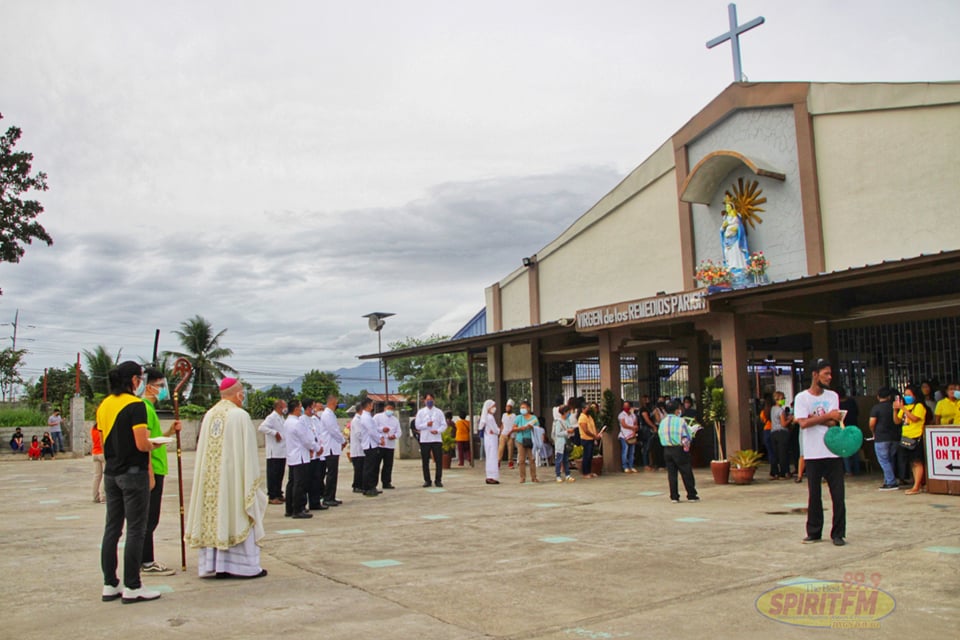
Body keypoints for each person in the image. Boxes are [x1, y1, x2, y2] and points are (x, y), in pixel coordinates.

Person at [185, 377, 268, 578]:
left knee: (217, 517)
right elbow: (248, 454)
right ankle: (243, 567)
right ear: (239, 394)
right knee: (235, 513)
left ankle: (215, 566)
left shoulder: (209, 414)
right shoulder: (240, 416)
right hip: (234, 480)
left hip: (212, 483)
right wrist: (251, 479)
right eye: (243, 394)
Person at [98, 361, 161, 604]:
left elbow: (105, 439)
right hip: (133, 474)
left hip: (111, 473)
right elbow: (141, 444)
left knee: (112, 528)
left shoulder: (105, 405)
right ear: (134, 380)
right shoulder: (136, 406)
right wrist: (155, 443)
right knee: (136, 529)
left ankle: (110, 584)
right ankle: (133, 585)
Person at [794, 358, 846, 546]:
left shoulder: (832, 396)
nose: (829, 377)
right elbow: (802, 423)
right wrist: (825, 416)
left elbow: (835, 421)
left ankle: (838, 533)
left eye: (830, 374)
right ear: (815, 375)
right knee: (814, 495)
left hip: (833, 451)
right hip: (813, 453)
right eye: (826, 374)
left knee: (838, 495)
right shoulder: (802, 398)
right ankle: (814, 531)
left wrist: (813, 417)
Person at [140, 368, 182, 577]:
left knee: (150, 518)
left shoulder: (149, 409)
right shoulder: (145, 408)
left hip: (157, 467)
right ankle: (146, 560)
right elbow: (145, 443)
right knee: (149, 518)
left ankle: (144, 559)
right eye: (161, 386)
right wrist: (149, 473)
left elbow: (154, 439)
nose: (163, 390)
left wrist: (168, 433)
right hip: (153, 469)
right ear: (149, 387)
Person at [659, 400, 699, 503]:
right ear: (677, 410)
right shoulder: (680, 421)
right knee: (686, 471)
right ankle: (691, 495)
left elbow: (660, 435)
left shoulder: (663, 422)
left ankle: (674, 496)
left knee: (672, 474)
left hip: (667, 449)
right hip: (679, 449)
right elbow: (687, 435)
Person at [894, 384, 928, 496]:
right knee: (912, 463)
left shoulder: (919, 406)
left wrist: (903, 408)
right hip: (906, 437)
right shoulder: (905, 407)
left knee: (917, 462)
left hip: (916, 437)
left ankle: (917, 486)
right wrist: (895, 410)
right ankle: (916, 484)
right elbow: (897, 421)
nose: (906, 397)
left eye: (909, 395)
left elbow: (914, 418)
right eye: (905, 395)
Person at [283, 399, 314, 518]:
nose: (301, 409)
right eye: (300, 407)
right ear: (296, 408)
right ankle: (298, 509)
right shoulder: (297, 423)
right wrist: (314, 448)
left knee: (292, 483)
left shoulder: (287, 422)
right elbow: (306, 439)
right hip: (300, 455)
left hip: (292, 455)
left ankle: (289, 508)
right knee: (299, 484)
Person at [869, 387, 900, 491]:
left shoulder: (876, 408)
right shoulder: (894, 407)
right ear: (889, 397)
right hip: (895, 437)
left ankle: (891, 482)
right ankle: (888, 481)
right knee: (890, 460)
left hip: (881, 438)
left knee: (884, 460)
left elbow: (872, 423)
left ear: (878, 397)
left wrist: (873, 433)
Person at [257, 399, 287, 504]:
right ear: (279, 407)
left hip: (282, 451)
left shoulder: (281, 417)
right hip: (273, 452)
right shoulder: (272, 417)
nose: (286, 408)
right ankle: (272, 496)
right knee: (273, 474)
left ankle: (279, 493)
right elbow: (261, 427)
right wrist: (274, 433)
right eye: (284, 406)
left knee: (280, 473)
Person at [300, 399, 327, 512]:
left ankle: (315, 502)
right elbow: (306, 438)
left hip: (317, 452)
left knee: (316, 479)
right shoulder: (302, 420)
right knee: (307, 481)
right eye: (313, 407)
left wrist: (319, 448)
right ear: (308, 408)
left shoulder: (313, 420)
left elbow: (317, 435)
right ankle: (304, 504)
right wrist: (314, 448)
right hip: (309, 453)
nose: (315, 409)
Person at [414, 394, 444, 488]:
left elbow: (444, 425)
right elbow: (417, 426)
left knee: (438, 460)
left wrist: (438, 430)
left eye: (431, 399)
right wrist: (427, 424)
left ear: (434, 400)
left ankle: (438, 480)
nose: (429, 401)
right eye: (427, 400)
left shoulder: (439, 412)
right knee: (425, 461)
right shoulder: (421, 412)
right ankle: (427, 480)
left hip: (436, 439)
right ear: (424, 401)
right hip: (425, 439)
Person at [318, 395, 344, 506]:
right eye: (336, 403)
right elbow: (333, 430)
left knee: (333, 474)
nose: (337, 405)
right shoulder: (327, 414)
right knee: (331, 474)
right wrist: (342, 440)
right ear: (332, 403)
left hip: (333, 447)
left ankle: (331, 496)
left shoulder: (330, 414)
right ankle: (328, 497)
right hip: (330, 448)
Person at [359, 398, 383, 497]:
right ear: (368, 405)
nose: (372, 406)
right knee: (369, 468)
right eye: (372, 404)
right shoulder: (365, 417)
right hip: (369, 444)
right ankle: (367, 488)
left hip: (372, 444)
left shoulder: (368, 416)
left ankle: (371, 486)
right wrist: (379, 439)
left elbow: (375, 429)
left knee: (372, 467)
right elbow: (371, 431)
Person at [374, 401, 400, 490]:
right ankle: (373, 484)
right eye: (388, 408)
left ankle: (386, 482)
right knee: (376, 465)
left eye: (392, 409)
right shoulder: (377, 417)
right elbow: (373, 428)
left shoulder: (395, 420)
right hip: (380, 445)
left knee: (388, 465)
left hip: (390, 445)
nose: (390, 410)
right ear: (384, 408)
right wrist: (382, 429)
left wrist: (395, 436)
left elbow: (399, 432)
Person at [512, 401, 539, 483]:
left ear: (528, 408)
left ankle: (534, 477)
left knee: (532, 459)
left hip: (531, 440)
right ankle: (522, 477)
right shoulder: (518, 418)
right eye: (521, 408)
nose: (522, 409)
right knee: (521, 459)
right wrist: (521, 428)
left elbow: (538, 429)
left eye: (524, 407)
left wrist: (532, 427)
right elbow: (514, 428)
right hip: (520, 440)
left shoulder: (534, 418)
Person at [838, 389, 861, 476]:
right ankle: (857, 469)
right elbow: (857, 413)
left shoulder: (838, 405)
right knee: (854, 449)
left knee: (845, 450)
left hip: (843, 429)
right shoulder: (851, 401)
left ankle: (848, 470)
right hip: (854, 427)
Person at [769, 392, 791, 479]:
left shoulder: (773, 409)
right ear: (777, 400)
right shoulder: (781, 410)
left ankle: (774, 472)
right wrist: (790, 419)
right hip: (781, 433)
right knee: (783, 453)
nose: (783, 400)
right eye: (782, 399)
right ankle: (784, 472)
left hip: (773, 432)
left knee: (775, 453)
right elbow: (783, 424)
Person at [479, 399, 500, 484]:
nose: (494, 408)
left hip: (488, 439)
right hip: (492, 439)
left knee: (489, 457)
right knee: (493, 457)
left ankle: (489, 475)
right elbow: (495, 429)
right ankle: (493, 476)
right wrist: (499, 430)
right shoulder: (490, 418)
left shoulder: (485, 417)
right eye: (493, 406)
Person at [553, 404, 576, 482]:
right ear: (564, 412)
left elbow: (570, 428)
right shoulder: (558, 421)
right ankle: (558, 475)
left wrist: (571, 431)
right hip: (560, 443)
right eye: (568, 412)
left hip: (566, 443)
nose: (569, 414)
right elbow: (557, 433)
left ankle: (567, 475)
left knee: (566, 459)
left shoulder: (567, 420)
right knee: (559, 459)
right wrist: (567, 431)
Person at [578, 402, 600, 478]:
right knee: (586, 456)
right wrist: (594, 436)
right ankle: (585, 473)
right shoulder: (582, 417)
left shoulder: (589, 416)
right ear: (583, 409)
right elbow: (586, 430)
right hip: (586, 439)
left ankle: (589, 471)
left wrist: (596, 434)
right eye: (587, 408)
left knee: (590, 456)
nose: (589, 409)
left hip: (591, 439)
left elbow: (593, 427)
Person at [618, 401, 638, 473]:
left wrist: (634, 432)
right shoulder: (621, 415)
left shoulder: (633, 415)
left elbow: (636, 424)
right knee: (625, 450)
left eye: (627, 406)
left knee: (632, 452)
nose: (626, 407)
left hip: (632, 435)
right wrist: (632, 427)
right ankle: (625, 466)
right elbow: (624, 425)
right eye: (625, 406)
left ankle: (631, 466)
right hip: (624, 435)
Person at [348, 406, 364, 493]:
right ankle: (356, 486)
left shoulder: (359, 419)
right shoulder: (356, 420)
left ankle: (360, 485)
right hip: (358, 449)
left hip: (361, 449)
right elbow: (359, 434)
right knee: (358, 469)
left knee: (361, 468)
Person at [499, 400, 517, 468]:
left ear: (511, 408)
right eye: (507, 407)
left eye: (509, 407)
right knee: (501, 448)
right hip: (503, 434)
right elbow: (502, 424)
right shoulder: (504, 415)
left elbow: (515, 425)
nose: (507, 408)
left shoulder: (514, 416)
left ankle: (510, 463)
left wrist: (511, 432)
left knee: (510, 449)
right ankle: (498, 462)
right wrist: (500, 432)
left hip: (511, 435)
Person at [760, 396, 774, 479]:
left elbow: (762, 421)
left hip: (766, 430)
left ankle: (772, 471)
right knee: (775, 451)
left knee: (770, 451)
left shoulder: (763, 412)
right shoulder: (774, 410)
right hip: (773, 429)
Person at [90, 424, 105, 503]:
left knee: (97, 476)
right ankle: (103, 497)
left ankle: (95, 497)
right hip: (102, 453)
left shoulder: (93, 429)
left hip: (95, 453)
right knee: (105, 475)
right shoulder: (102, 430)